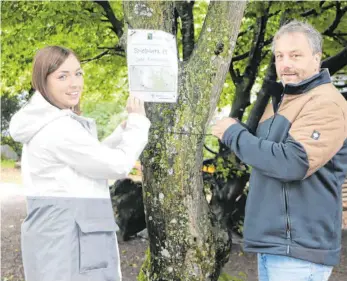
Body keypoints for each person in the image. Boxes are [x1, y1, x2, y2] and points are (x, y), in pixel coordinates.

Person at [212, 20, 347, 281]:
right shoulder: (284, 100)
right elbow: (264, 156)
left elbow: (292, 163)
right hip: (277, 246)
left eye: (296, 55)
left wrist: (233, 134)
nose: (285, 64)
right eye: (280, 56)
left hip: (300, 250)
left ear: (317, 58)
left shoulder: (325, 102)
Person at [9, 46, 151, 281]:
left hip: (63, 242)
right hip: (70, 245)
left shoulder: (48, 121)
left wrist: (121, 132)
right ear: (42, 82)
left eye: (78, 73)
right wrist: (138, 124)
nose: (74, 83)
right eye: (62, 76)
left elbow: (86, 164)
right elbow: (115, 166)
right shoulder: (58, 127)